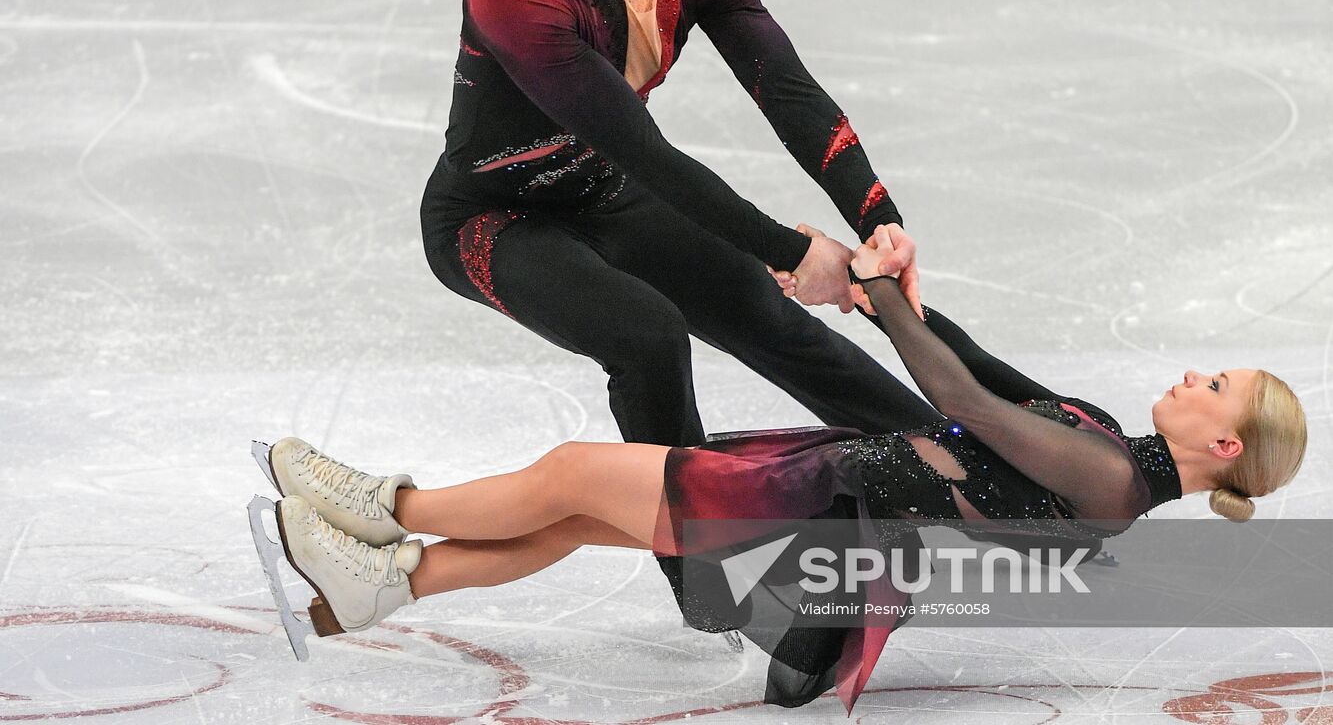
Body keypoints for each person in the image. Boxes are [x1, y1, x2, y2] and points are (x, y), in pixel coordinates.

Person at [256, 226, 1307, 713]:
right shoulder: (1104, 438)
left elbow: (968, 405)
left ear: (1223, 446)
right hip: (818, 499)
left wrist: (884, 302)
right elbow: (978, 368)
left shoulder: (1110, 482)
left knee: (578, 471)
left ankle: (383, 511)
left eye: (1214, 383)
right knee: (583, 513)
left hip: (800, 518)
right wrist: (878, 292)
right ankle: (379, 588)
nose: (1192, 373)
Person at [422, 0, 931, 626]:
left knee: (763, 315)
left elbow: (791, 95)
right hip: (493, 222)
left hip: (602, 194)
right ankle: (710, 586)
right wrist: (791, 249)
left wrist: (876, 222)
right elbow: (648, 153)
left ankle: (956, 469)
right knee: (650, 337)